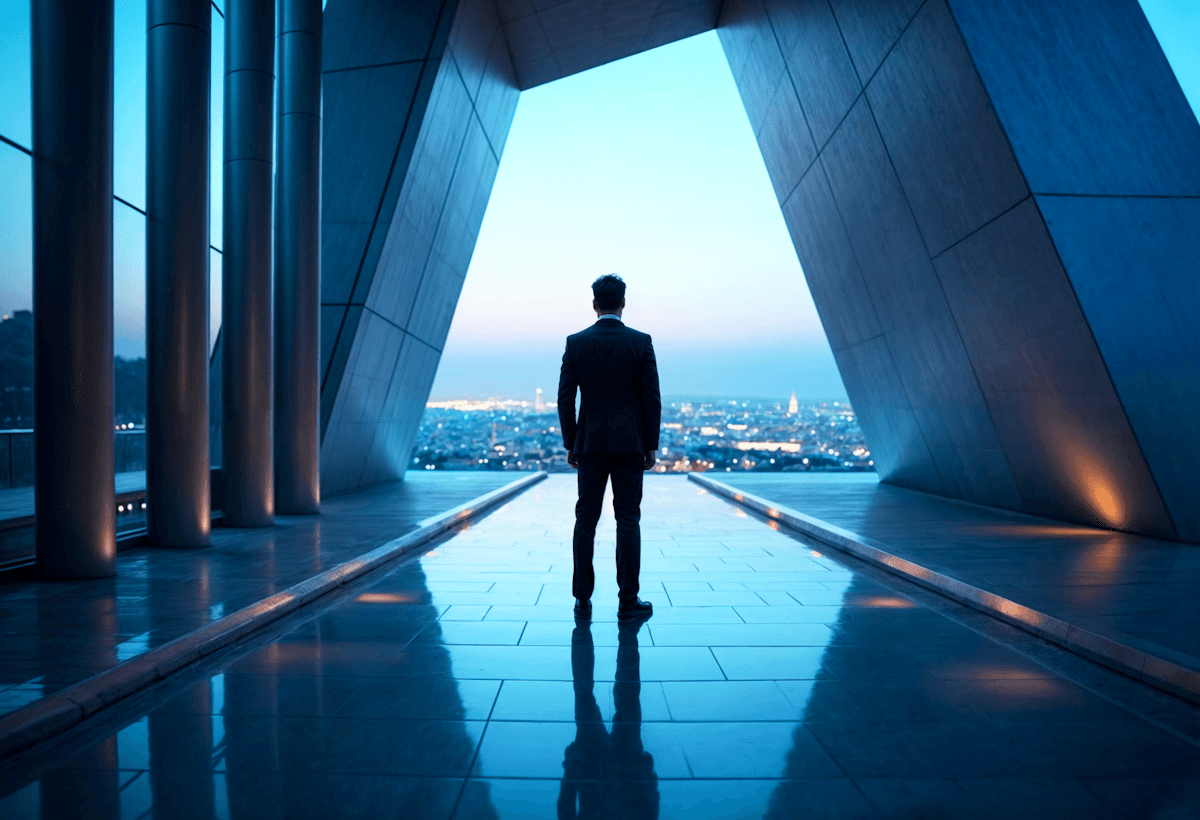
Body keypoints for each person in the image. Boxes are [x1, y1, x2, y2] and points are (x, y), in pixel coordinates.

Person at [557, 274, 660, 621]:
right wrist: (651, 445)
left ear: (594, 304)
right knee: (628, 520)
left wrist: (571, 441)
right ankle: (628, 600)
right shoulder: (640, 342)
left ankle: (582, 600)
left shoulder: (576, 343)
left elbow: (565, 398)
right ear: (623, 302)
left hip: (589, 445)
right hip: (630, 443)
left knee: (586, 519)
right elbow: (651, 399)